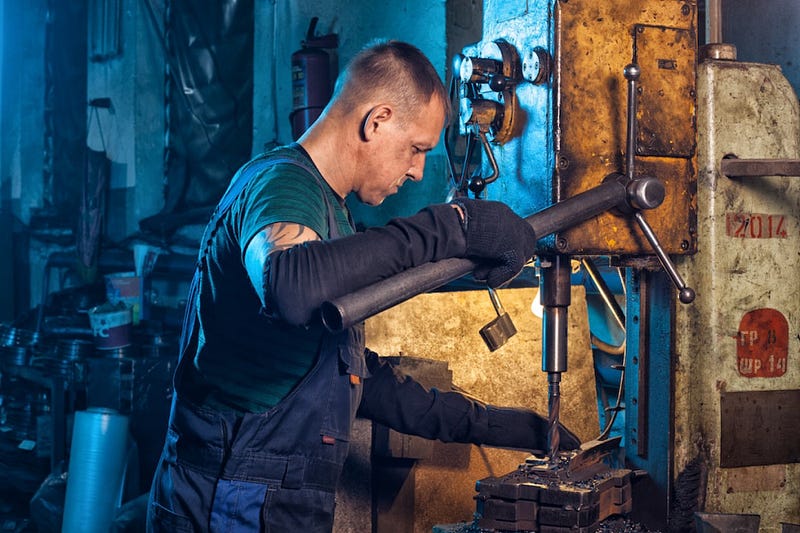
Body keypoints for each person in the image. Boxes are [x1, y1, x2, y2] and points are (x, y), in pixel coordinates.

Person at [147, 40, 579, 532]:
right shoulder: (280, 185)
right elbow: (290, 287)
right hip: (233, 496)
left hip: (267, 496)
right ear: (377, 120)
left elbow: (344, 375)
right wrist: (451, 228)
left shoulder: (330, 213)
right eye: (416, 149)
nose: (417, 170)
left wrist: (494, 424)